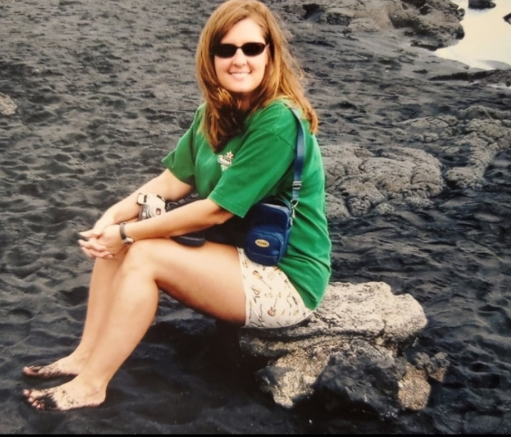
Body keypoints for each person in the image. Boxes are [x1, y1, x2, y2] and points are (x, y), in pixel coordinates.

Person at [22, 0, 331, 411]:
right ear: (211, 56)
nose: (239, 59)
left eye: (252, 48)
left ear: (270, 53)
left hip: (285, 276)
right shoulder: (214, 112)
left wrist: (128, 231)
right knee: (120, 242)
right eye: (226, 49)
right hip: (236, 257)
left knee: (143, 251)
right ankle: (84, 356)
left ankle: (93, 384)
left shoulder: (276, 120)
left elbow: (215, 211)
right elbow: (172, 181)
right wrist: (113, 217)